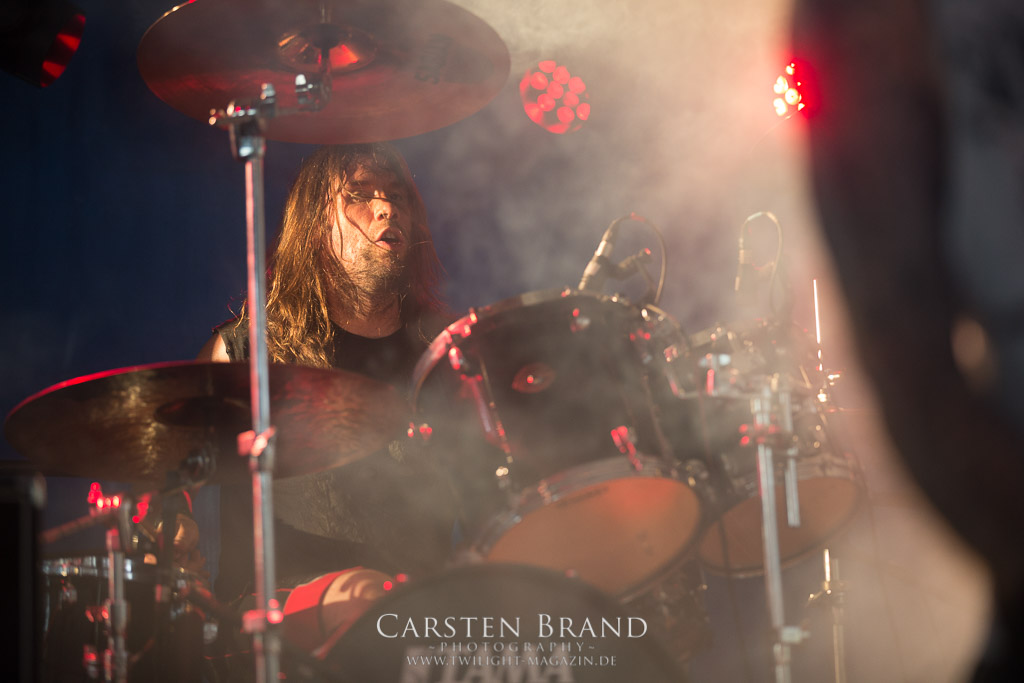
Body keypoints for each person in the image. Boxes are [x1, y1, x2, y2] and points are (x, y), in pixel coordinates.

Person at [196, 142, 456, 659]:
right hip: (277, 621)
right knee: (362, 599)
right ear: (316, 223)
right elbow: (162, 470)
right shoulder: (249, 353)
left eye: (397, 196)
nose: (386, 208)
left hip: (419, 621)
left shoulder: (445, 356)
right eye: (360, 194)